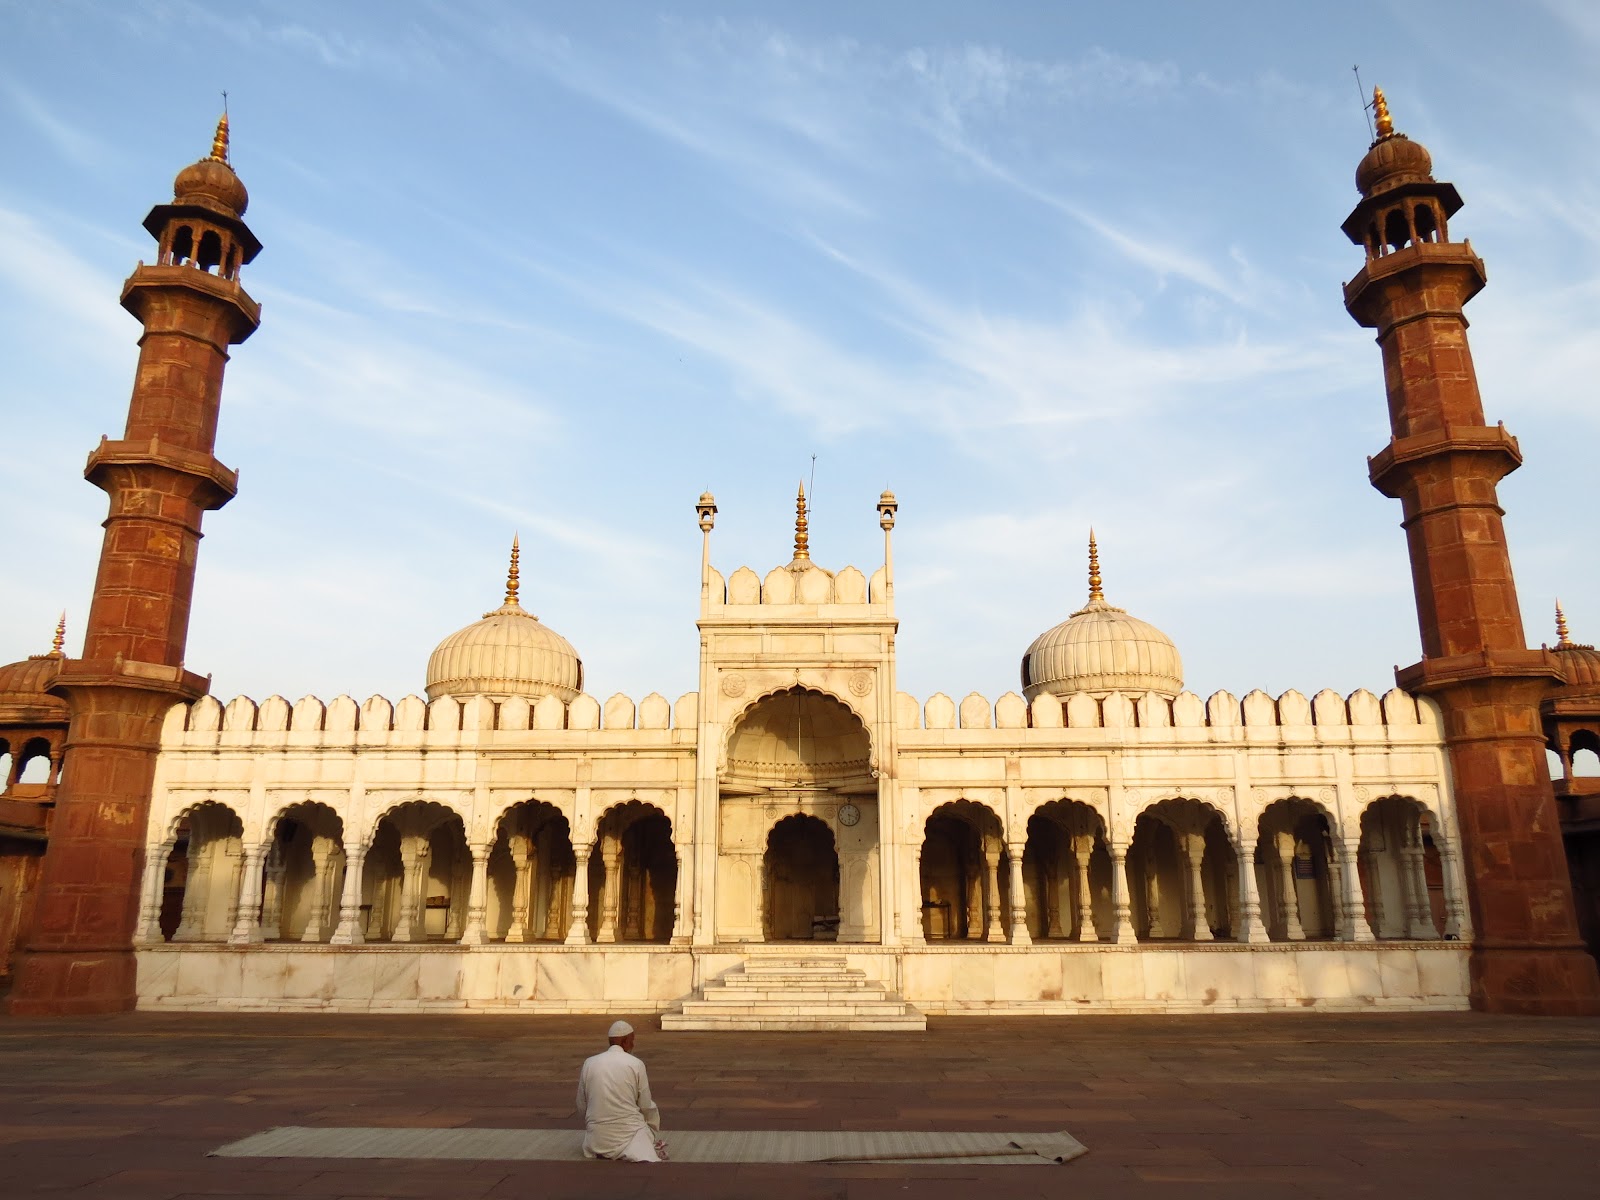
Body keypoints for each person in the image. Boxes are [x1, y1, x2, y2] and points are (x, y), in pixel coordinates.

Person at [576, 1020, 668, 1162]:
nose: (633, 1045)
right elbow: (645, 1104)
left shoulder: (589, 1062)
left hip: (596, 1139)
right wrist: (652, 1123)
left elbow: (581, 1104)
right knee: (646, 1130)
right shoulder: (635, 1064)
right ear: (625, 1042)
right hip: (629, 1134)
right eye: (632, 1041)